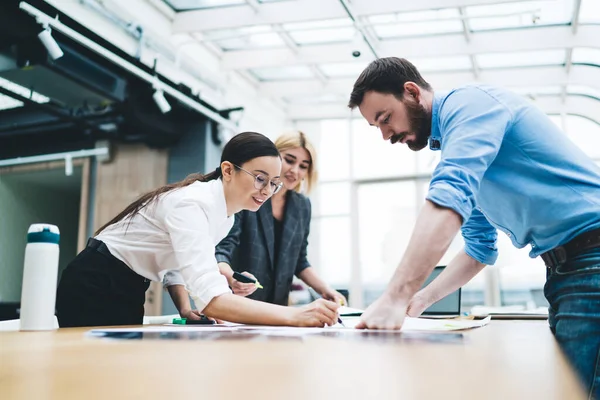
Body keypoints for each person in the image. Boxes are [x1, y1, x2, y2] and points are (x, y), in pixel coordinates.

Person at [347, 57, 600, 398]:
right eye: (376, 127)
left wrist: (395, 296)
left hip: (592, 259)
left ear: (411, 92)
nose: (385, 135)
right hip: (567, 271)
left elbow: (450, 196)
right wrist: (420, 299)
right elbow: (479, 249)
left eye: (385, 118)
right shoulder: (462, 146)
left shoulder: (470, 106)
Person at [56, 131, 339, 328]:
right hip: (94, 282)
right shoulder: (191, 203)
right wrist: (296, 315)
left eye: (273, 183)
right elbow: (213, 300)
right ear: (228, 170)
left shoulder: (226, 217)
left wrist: (183, 306)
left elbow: (176, 262)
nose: (267, 191)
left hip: (129, 286)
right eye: (260, 179)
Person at [164, 131, 346, 317]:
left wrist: (325, 289)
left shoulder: (302, 206)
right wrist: (232, 276)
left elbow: (300, 260)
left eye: (303, 166)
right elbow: (222, 249)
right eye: (289, 161)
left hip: (277, 304)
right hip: (239, 304)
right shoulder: (247, 197)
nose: (295, 170)